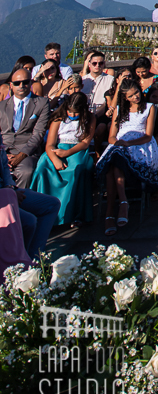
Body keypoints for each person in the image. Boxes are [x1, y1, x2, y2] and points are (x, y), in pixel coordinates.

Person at [96, 78, 158, 233]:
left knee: (114, 162)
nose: (135, 97)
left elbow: (148, 136)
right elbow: (111, 136)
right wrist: (118, 143)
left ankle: (110, 213)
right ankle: (122, 203)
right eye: (130, 96)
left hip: (140, 144)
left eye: (136, 93)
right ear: (125, 98)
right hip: (120, 144)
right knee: (114, 160)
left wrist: (128, 144)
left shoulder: (149, 107)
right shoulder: (119, 110)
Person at [31, 91, 95, 225]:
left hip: (77, 150)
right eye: (70, 111)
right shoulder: (58, 119)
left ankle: (74, 215)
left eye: (76, 112)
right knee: (42, 168)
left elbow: (85, 142)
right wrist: (55, 159)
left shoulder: (90, 118)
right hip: (57, 150)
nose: (72, 115)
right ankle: (42, 212)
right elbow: (50, 144)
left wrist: (67, 153)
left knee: (77, 170)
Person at [0, 145, 59, 263]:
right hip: (3, 200)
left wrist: (10, 187)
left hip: (8, 190)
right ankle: (18, 263)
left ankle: (35, 260)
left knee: (51, 204)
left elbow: (4, 166)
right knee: (29, 221)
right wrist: (9, 195)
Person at [0, 69, 50, 187]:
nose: (21, 86)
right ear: (11, 85)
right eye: (17, 83)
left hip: (27, 151)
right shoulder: (2, 106)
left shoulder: (42, 103)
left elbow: (38, 133)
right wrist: (3, 155)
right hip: (3, 149)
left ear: (31, 83)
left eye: (25, 82)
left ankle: (19, 197)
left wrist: (21, 155)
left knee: (26, 172)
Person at [81, 49, 115, 148]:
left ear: (104, 64)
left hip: (102, 114)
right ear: (89, 64)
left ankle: (97, 151)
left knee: (101, 128)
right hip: (85, 114)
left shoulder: (110, 80)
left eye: (100, 63)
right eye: (94, 63)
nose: (97, 66)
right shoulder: (83, 80)